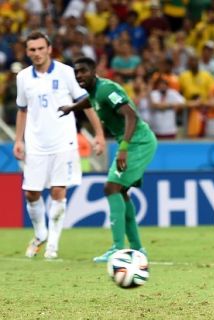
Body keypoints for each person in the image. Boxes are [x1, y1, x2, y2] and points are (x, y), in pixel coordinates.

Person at [14, 31, 105, 259]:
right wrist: (18, 139)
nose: (36, 53)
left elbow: (87, 104)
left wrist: (99, 135)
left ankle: (53, 245)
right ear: (27, 52)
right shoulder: (23, 77)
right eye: (32, 50)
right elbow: (22, 110)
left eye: (40, 48)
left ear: (49, 48)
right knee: (31, 194)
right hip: (36, 144)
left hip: (64, 142)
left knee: (58, 190)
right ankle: (40, 233)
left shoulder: (67, 73)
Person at [58, 56, 157, 263]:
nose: (79, 75)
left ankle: (118, 249)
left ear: (94, 71)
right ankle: (137, 248)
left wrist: (123, 148)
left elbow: (131, 115)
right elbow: (91, 101)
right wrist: (72, 107)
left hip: (137, 142)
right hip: (131, 142)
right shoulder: (95, 92)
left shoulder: (106, 90)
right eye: (76, 72)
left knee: (111, 188)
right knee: (120, 191)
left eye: (83, 71)